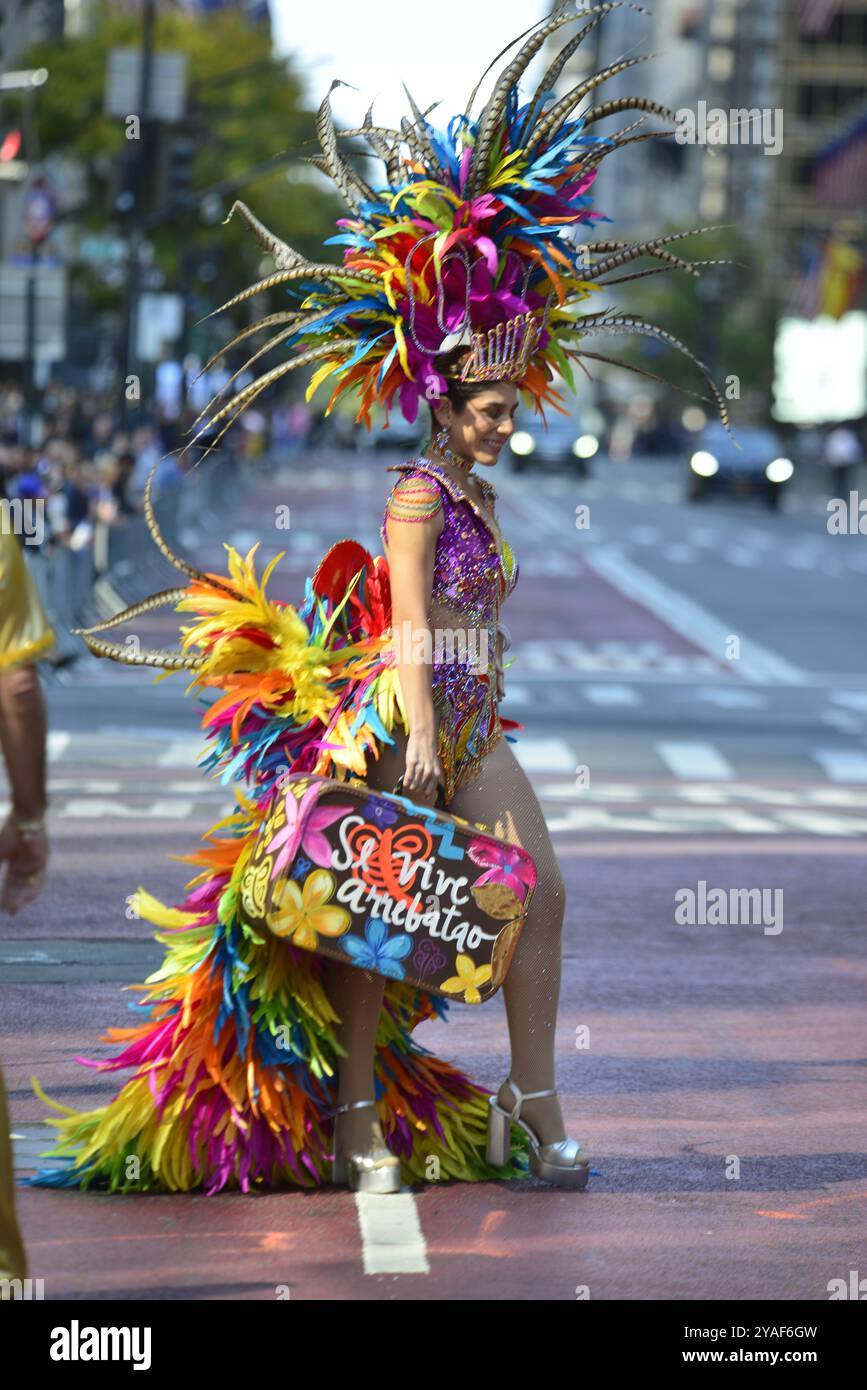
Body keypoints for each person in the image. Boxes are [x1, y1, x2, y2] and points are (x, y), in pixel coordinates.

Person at [26, 9, 730, 1197]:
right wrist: (409, 732)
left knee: (539, 895)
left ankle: (533, 1090)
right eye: (494, 409)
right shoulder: (416, 494)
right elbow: (408, 621)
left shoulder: (484, 496)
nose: (511, 423)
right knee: (374, 913)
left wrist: (456, 725)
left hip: (475, 724)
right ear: (446, 405)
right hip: (399, 724)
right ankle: (352, 1111)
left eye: (516, 404)